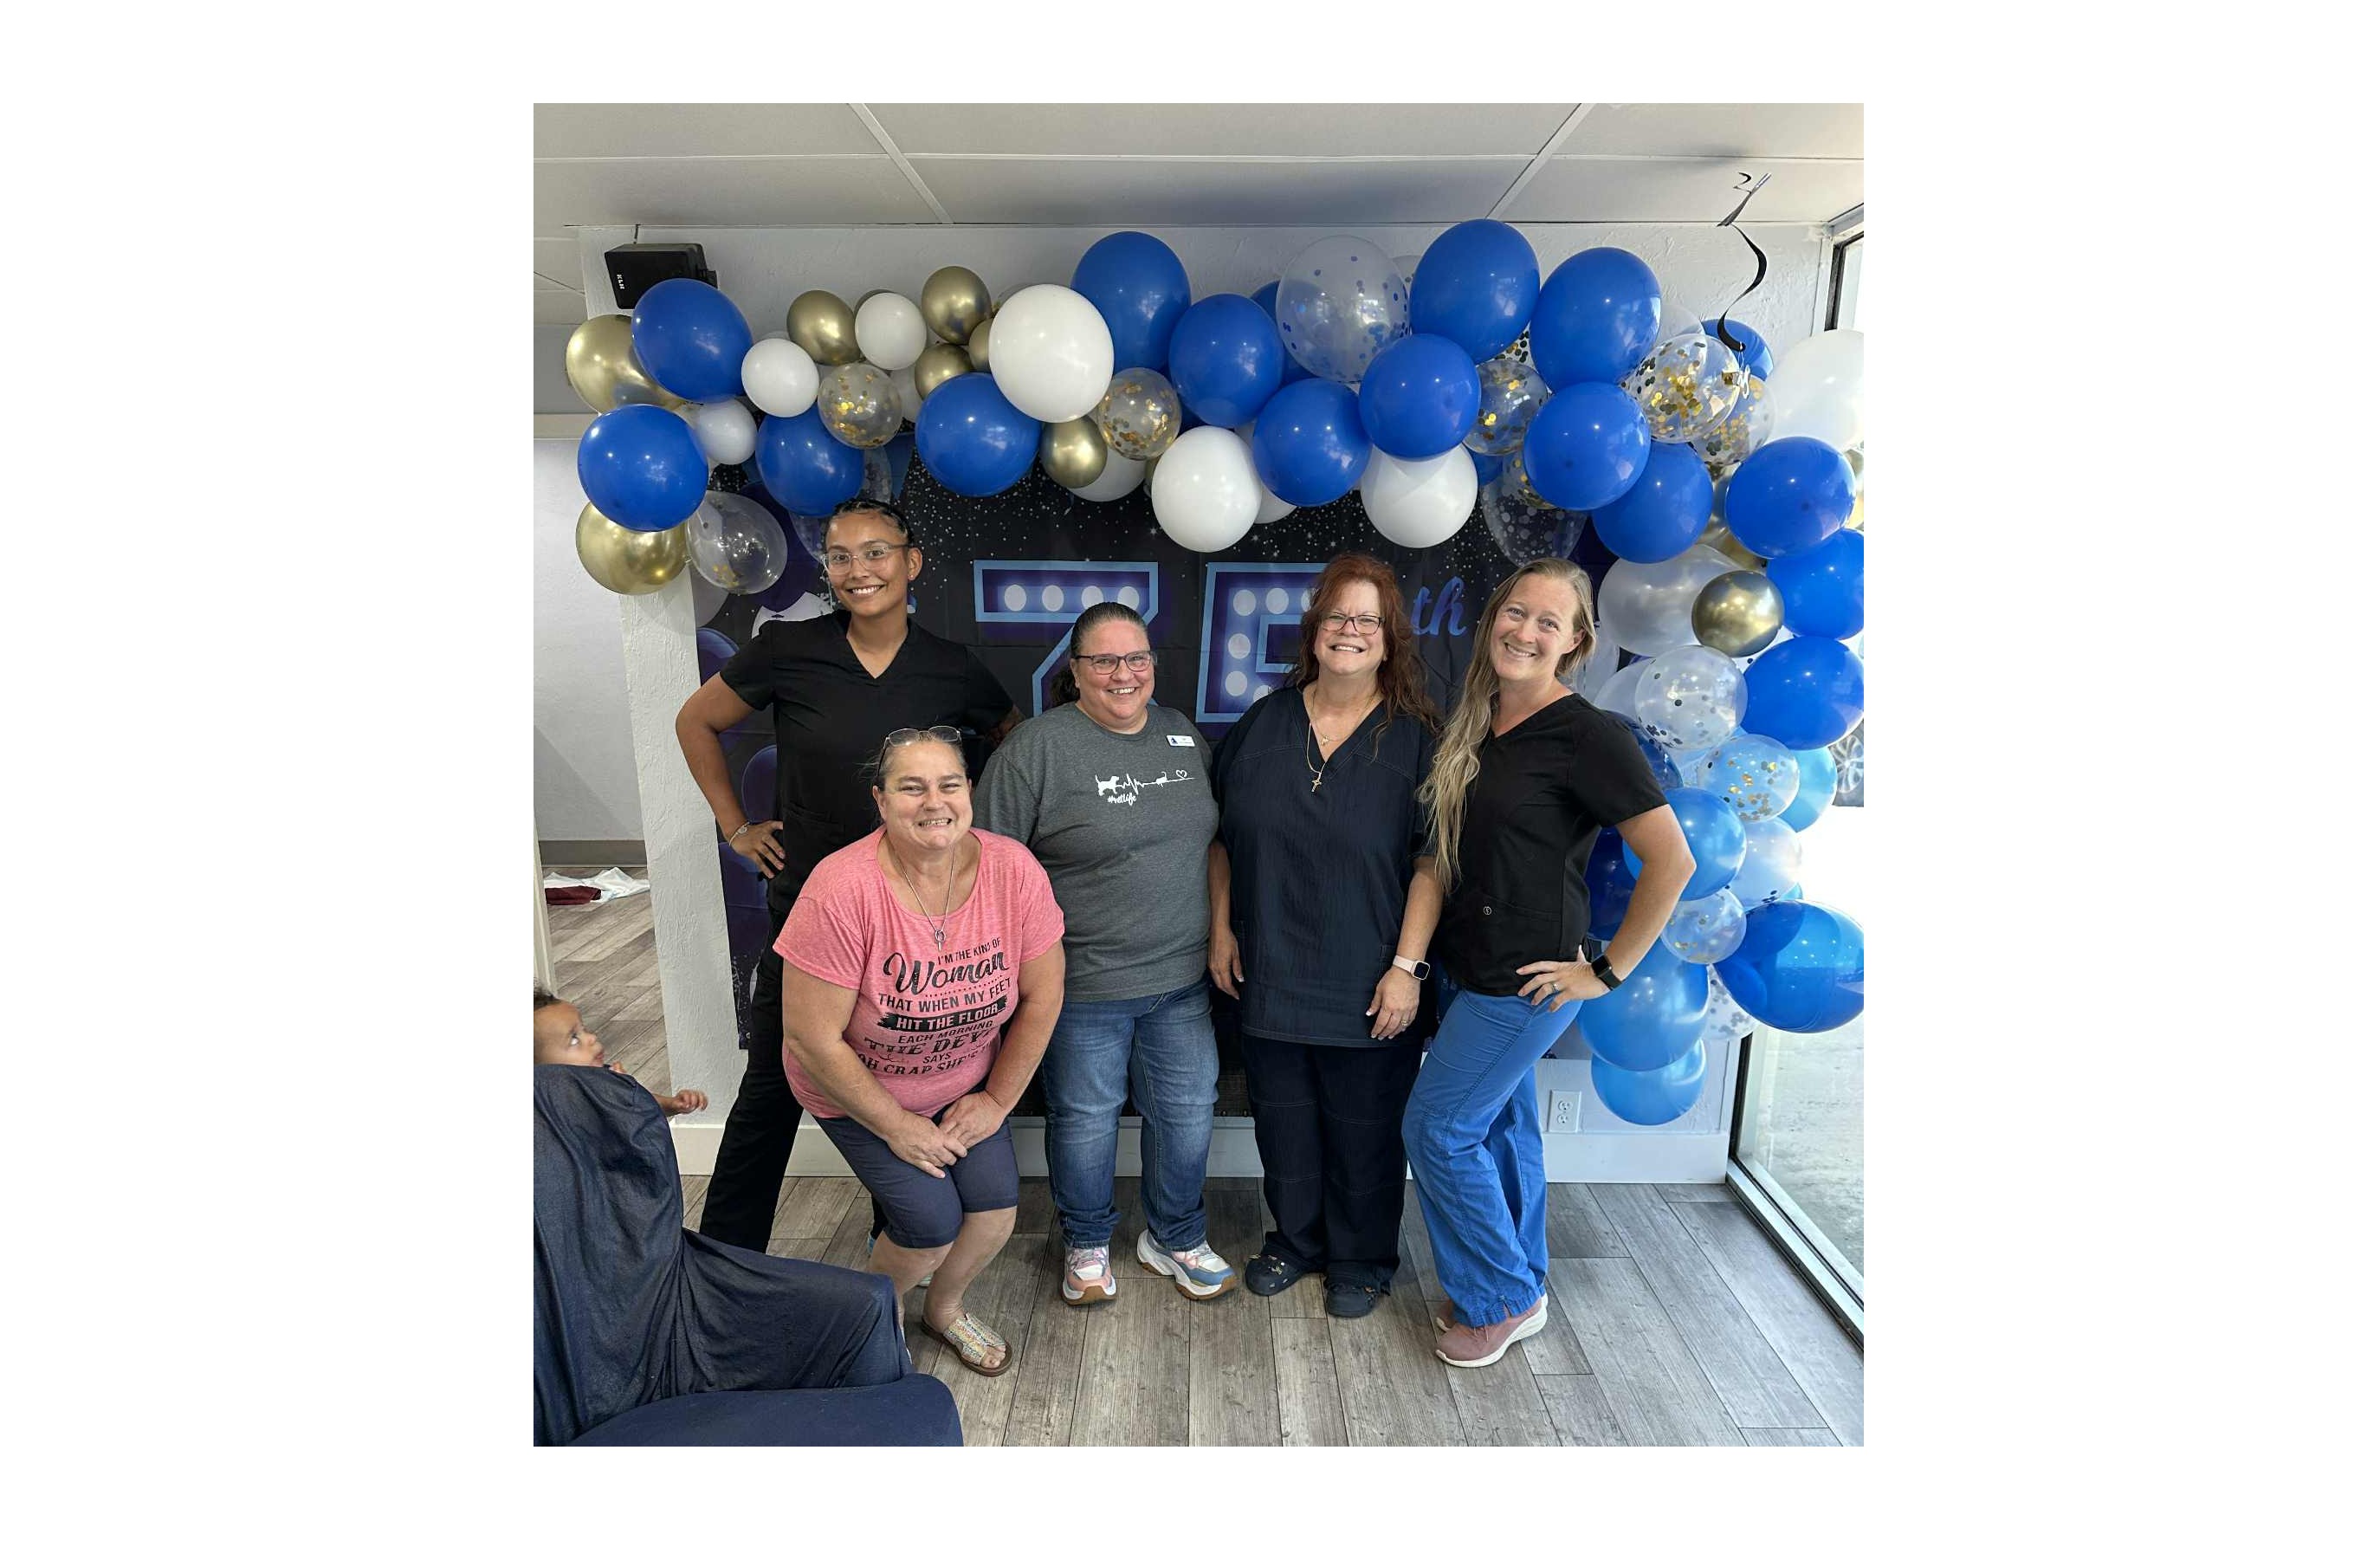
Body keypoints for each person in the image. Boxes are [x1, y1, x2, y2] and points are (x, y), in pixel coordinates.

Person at [675, 498, 1020, 1253]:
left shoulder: (950, 667)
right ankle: (724, 1265)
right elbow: (694, 721)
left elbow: (1006, 737)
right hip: (811, 917)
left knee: (895, 1088)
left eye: (876, 552)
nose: (858, 570)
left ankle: (895, 1248)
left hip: (920, 928)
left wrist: (973, 839)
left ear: (911, 561)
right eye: (840, 556)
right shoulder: (787, 651)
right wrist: (736, 826)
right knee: (771, 1092)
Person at [1406, 558, 1696, 1369]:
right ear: (1494, 618)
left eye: (1547, 622)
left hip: (1525, 983)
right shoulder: (1480, 719)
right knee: (1501, 1130)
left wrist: (1605, 973)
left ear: (1575, 643)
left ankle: (1501, 1297)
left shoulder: (1588, 736)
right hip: (1468, 968)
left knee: (1435, 1128)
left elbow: (1670, 862)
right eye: (1516, 613)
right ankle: (1520, 1278)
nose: (1525, 631)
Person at [779, 728, 1065, 1376]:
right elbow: (811, 1036)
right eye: (911, 787)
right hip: (856, 1091)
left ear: (970, 792)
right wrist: (898, 1126)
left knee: (994, 1215)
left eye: (949, 784)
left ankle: (944, 1310)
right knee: (929, 1225)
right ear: (881, 802)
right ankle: (868, 1325)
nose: (933, 801)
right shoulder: (841, 888)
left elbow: (1044, 996)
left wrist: (995, 1102)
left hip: (962, 1086)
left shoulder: (1012, 869)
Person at [975, 602, 1238, 1305]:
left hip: (1180, 982)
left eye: (1137, 658)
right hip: (1080, 986)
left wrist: (1220, 931)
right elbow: (988, 866)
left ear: (1153, 664)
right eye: (1105, 661)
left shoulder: (1182, 737)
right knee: (1086, 1121)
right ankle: (1087, 1243)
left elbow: (1213, 845)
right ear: (1077, 670)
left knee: (1187, 1111)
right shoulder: (1037, 749)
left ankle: (1175, 1236)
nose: (1124, 674)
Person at [1206, 554, 1441, 1319]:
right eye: (1338, 615)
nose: (1350, 630)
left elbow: (1433, 863)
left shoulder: (1416, 739)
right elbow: (1220, 841)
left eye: (1367, 620)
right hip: (1271, 966)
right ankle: (1295, 1242)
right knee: (1284, 1124)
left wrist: (1407, 968)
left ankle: (1363, 1256)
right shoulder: (1263, 724)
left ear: (1389, 639)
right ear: (1313, 632)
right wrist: (1220, 932)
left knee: (1365, 1131)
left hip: (1370, 975)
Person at [534, 988, 708, 1116]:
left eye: (584, 1029)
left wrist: (671, 1104)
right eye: (574, 1039)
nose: (591, 1038)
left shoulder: (603, 1080)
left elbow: (645, 1102)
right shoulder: (549, 1115)